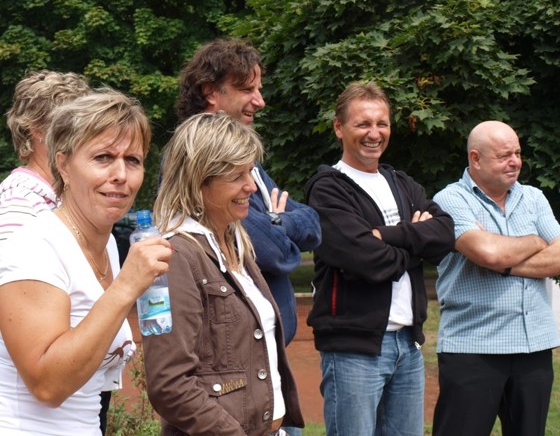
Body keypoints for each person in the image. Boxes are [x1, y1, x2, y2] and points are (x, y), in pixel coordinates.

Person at [0, 89, 173, 436]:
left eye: (133, 160)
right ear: (63, 165)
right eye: (103, 157)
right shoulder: (34, 247)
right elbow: (48, 386)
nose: (121, 174)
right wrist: (126, 287)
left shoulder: (106, 244)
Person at [304, 81, 455, 436]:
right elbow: (367, 261)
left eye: (381, 123)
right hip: (353, 349)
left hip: (408, 345)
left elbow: (445, 234)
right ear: (339, 127)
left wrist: (387, 236)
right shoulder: (327, 189)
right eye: (363, 124)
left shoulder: (401, 182)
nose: (374, 133)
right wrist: (416, 243)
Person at [144, 111, 304, 436]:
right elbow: (169, 385)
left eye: (250, 172)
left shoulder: (234, 243)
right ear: (198, 180)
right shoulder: (173, 256)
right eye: (236, 176)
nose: (251, 187)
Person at [431, 120, 560, 436]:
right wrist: (536, 241)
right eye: (504, 156)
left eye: (517, 153)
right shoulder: (450, 200)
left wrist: (504, 262)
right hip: (473, 347)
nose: (515, 162)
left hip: (534, 347)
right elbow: (488, 253)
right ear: (476, 158)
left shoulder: (533, 198)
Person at [175, 37, 321, 352]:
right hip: (232, 356)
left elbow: (312, 224)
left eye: (259, 89)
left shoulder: (248, 162)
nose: (260, 101)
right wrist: (277, 223)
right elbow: (271, 252)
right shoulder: (191, 157)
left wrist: (276, 222)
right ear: (210, 92)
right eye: (247, 90)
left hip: (263, 353)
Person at [0, 70, 91, 247]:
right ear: (37, 129)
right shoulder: (19, 202)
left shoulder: (58, 195)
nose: (85, 134)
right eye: (73, 125)